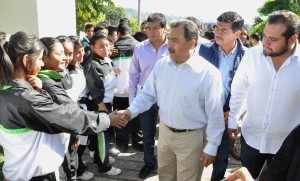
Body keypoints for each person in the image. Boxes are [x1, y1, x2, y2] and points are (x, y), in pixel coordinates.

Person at [0, 31, 127, 181]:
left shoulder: (8, 92)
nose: (42, 64)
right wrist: (107, 119)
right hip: (40, 175)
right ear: (26, 60)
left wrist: (39, 92)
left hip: (18, 172)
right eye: (40, 59)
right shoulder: (26, 99)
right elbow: (68, 117)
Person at [119, 19, 225, 181]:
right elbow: (147, 94)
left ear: (191, 44)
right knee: (165, 177)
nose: (169, 44)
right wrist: (130, 111)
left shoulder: (208, 74)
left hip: (191, 139)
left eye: (175, 40)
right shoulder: (162, 65)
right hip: (165, 134)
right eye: (169, 38)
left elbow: (215, 113)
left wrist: (212, 146)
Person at [228, 10, 300, 179]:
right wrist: (233, 120)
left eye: (273, 39)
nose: (265, 43)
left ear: (292, 39)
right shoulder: (252, 55)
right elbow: (239, 90)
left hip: (287, 147)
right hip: (251, 138)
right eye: (265, 35)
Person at [199, 11, 247, 181]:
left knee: (221, 158)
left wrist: (236, 112)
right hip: (201, 113)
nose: (217, 33)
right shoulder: (203, 50)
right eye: (217, 28)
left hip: (227, 115)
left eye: (224, 30)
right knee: (196, 155)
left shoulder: (247, 57)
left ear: (237, 33)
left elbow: (250, 90)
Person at [128, 12, 169, 179]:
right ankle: (149, 162)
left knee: (168, 132)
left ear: (165, 29)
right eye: (148, 28)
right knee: (147, 132)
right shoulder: (140, 47)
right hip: (146, 95)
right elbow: (133, 76)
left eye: (155, 28)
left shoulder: (173, 47)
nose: (151, 32)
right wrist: (132, 103)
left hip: (168, 95)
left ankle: (166, 164)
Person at [84, 32, 121, 176]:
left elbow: (107, 78)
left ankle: (97, 156)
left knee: (98, 136)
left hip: (106, 102)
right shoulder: (93, 65)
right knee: (102, 136)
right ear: (92, 47)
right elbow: (95, 93)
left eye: (107, 45)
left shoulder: (106, 60)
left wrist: (115, 72)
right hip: (100, 105)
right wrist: (105, 112)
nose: (105, 48)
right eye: (101, 46)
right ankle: (104, 166)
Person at [110, 22, 143, 152]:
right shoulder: (138, 46)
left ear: (118, 34)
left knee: (120, 118)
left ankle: (122, 144)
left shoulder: (112, 48)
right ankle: (137, 141)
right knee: (136, 116)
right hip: (134, 89)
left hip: (117, 90)